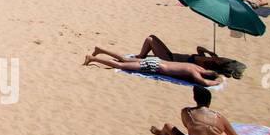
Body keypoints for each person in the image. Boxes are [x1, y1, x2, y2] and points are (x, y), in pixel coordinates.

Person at [150, 86, 240, 135]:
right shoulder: (219, 117)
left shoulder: (187, 112)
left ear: (194, 98)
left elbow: (188, 129)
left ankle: (162, 133)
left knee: (168, 126)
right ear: (210, 100)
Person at [83, 47, 223, 86]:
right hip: (155, 66)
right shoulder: (195, 74)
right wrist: (216, 81)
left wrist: (215, 74)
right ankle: (94, 58)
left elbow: (205, 75)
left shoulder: (195, 67)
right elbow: (204, 82)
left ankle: (100, 50)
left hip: (157, 61)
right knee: (121, 65)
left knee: (124, 59)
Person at [132, 34, 245, 79]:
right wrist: (209, 52)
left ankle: (141, 56)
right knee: (151, 39)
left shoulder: (203, 62)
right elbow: (199, 48)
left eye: (221, 59)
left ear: (217, 63)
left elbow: (200, 55)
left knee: (150, 39)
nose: (221, 58)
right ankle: (141, 55)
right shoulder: (205, 61)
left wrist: (211, 58)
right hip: (170, 57)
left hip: (169, 59)